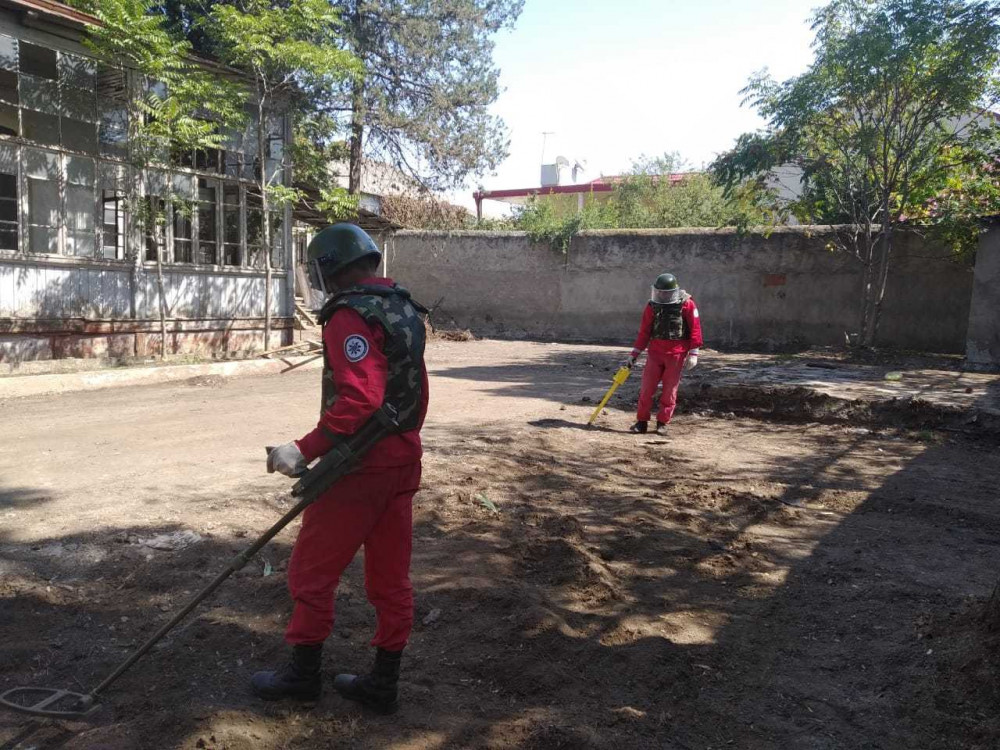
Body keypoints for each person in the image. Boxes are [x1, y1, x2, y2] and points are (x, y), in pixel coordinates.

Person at [252, 223, 429, 715]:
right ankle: (383, 682)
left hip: (360, 469)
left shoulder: (349, 314)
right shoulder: (404, 308)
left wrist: (303, 449)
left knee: (312, 574)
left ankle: (303, 676)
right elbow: (414, 391)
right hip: (403, 460)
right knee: (390, 580)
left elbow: (361, 396)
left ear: (329, 268)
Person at [625, 272, 703, 434]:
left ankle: (662, 423)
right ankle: (641, 422)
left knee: (669, 390)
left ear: (673, 291)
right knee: (646, 388)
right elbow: (644, 332)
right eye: (659, 291)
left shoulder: (687, 305)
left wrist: (693, 353)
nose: (661, 295)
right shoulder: (652, 306)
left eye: (665, 292)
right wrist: (634, 354)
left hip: (676, 354)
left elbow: (695, 329)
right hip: (655, 353)